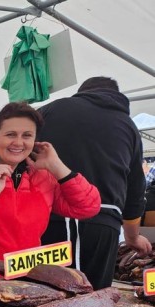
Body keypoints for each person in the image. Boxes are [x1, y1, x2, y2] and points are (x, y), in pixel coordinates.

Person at [0, 102, 101, 301]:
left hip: (24, 286)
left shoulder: (43, 177)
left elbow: (88, 207)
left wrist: (57, 166)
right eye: (11, 134)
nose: (18, 142)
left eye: (27, 135)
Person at [38, 77, 151, 289]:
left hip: (48, 217)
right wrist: (132, 237)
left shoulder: (52, 110)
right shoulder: (128, 126)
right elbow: (136, 189)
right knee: (93, 299)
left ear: (82, 92)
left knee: (41, 294)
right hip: (103, 223)